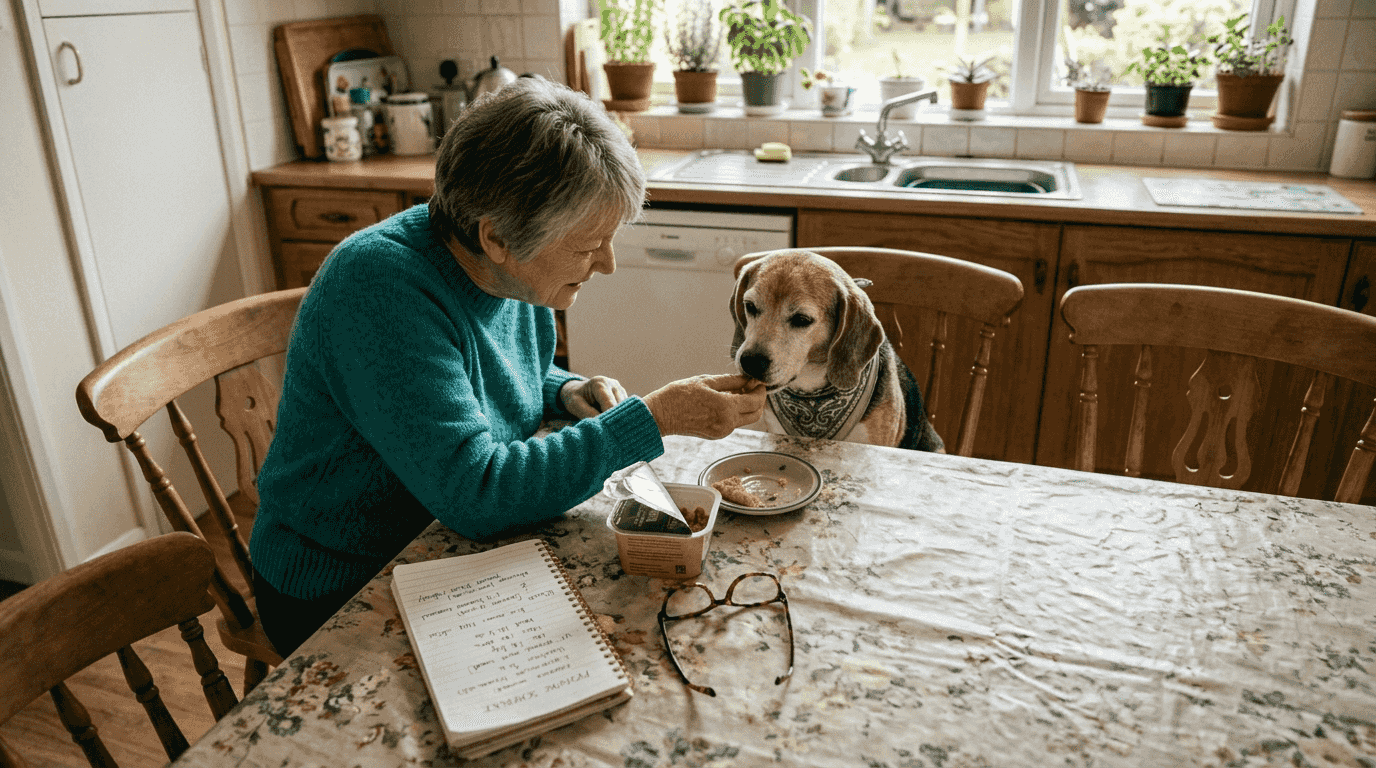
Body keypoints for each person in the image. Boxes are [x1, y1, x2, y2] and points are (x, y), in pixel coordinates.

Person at [250, 77, 766, 655]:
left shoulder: (500, 269)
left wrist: (566, 391)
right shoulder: (377, 290)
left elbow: (474, 378)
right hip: (343, 582)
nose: (608, 264)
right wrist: (650, 419)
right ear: (496, 237)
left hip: (440, 547)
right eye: (587, 244)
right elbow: (479, 492)